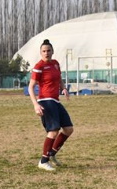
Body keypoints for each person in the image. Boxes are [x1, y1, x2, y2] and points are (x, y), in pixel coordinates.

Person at [28, 39, 74, 172]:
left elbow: (59, 78)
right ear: (40, 53)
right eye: (43, 51)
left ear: (52, 51)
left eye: (48, 50)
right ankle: (43, 161)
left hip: (55, 100)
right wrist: (35, 104)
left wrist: (64, 88)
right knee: (53, 131)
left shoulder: (55, 64)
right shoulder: (39, 67)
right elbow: (31, 87)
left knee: (68, 129)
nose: (46, 53)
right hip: (45, 101)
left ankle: (52, 153)